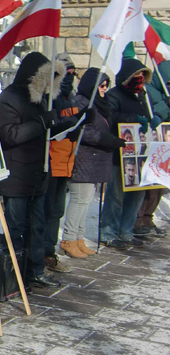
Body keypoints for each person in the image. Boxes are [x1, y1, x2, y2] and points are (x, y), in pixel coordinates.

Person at [0, 52, 81, 289]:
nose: (48, 85)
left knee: (37, 227)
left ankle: (36, 270)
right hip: (17, 176)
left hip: (38, 174)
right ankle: (14, 274)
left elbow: (47, 128)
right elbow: (9, 135)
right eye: (45, 79)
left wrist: (74, 122)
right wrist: (42, 123)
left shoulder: (42, 100)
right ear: (33, 77)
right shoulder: (8, 99)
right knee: (16, 228)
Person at [62, 70, 124, 258]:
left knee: (87, 199)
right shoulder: (82, 101)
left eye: (106, 85)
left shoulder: (100, 103)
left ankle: (78, 238)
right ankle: (68, 239)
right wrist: (106, 140)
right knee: (79, 199)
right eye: (101, 85)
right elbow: (83, 131)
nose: (104, 89)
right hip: (83, 158)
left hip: (95, 161)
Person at [100, 58, 156, 249]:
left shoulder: (142, 95)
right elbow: (110, 118)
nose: (140, 80)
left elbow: (147, 119)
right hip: (120, 154)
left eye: (142, 76)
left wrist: (153, 121)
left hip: (141, 155)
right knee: (116, 196)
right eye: (136, 76)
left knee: (137, 195)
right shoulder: (114, 95)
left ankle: (126, 230)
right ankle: (108, 231)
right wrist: (133, 119)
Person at [43, 53, 81, 274]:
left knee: (57, 210)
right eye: (67, 72)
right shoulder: (51, 97)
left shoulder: (70, 97)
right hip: (52, 160)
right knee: (48, 210)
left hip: (66, 161)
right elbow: (52, 126)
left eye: (74, 72)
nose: (72, 76)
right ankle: (45, 252)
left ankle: (49, 251)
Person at [133, 59, 170, 238]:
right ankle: (138, 219)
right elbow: (148, 111)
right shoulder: (150, 91)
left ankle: (148, 216)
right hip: (149, 143)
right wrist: (163, 110)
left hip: (164, 145)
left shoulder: (165, 93)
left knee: (159, 183)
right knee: (146, 183)